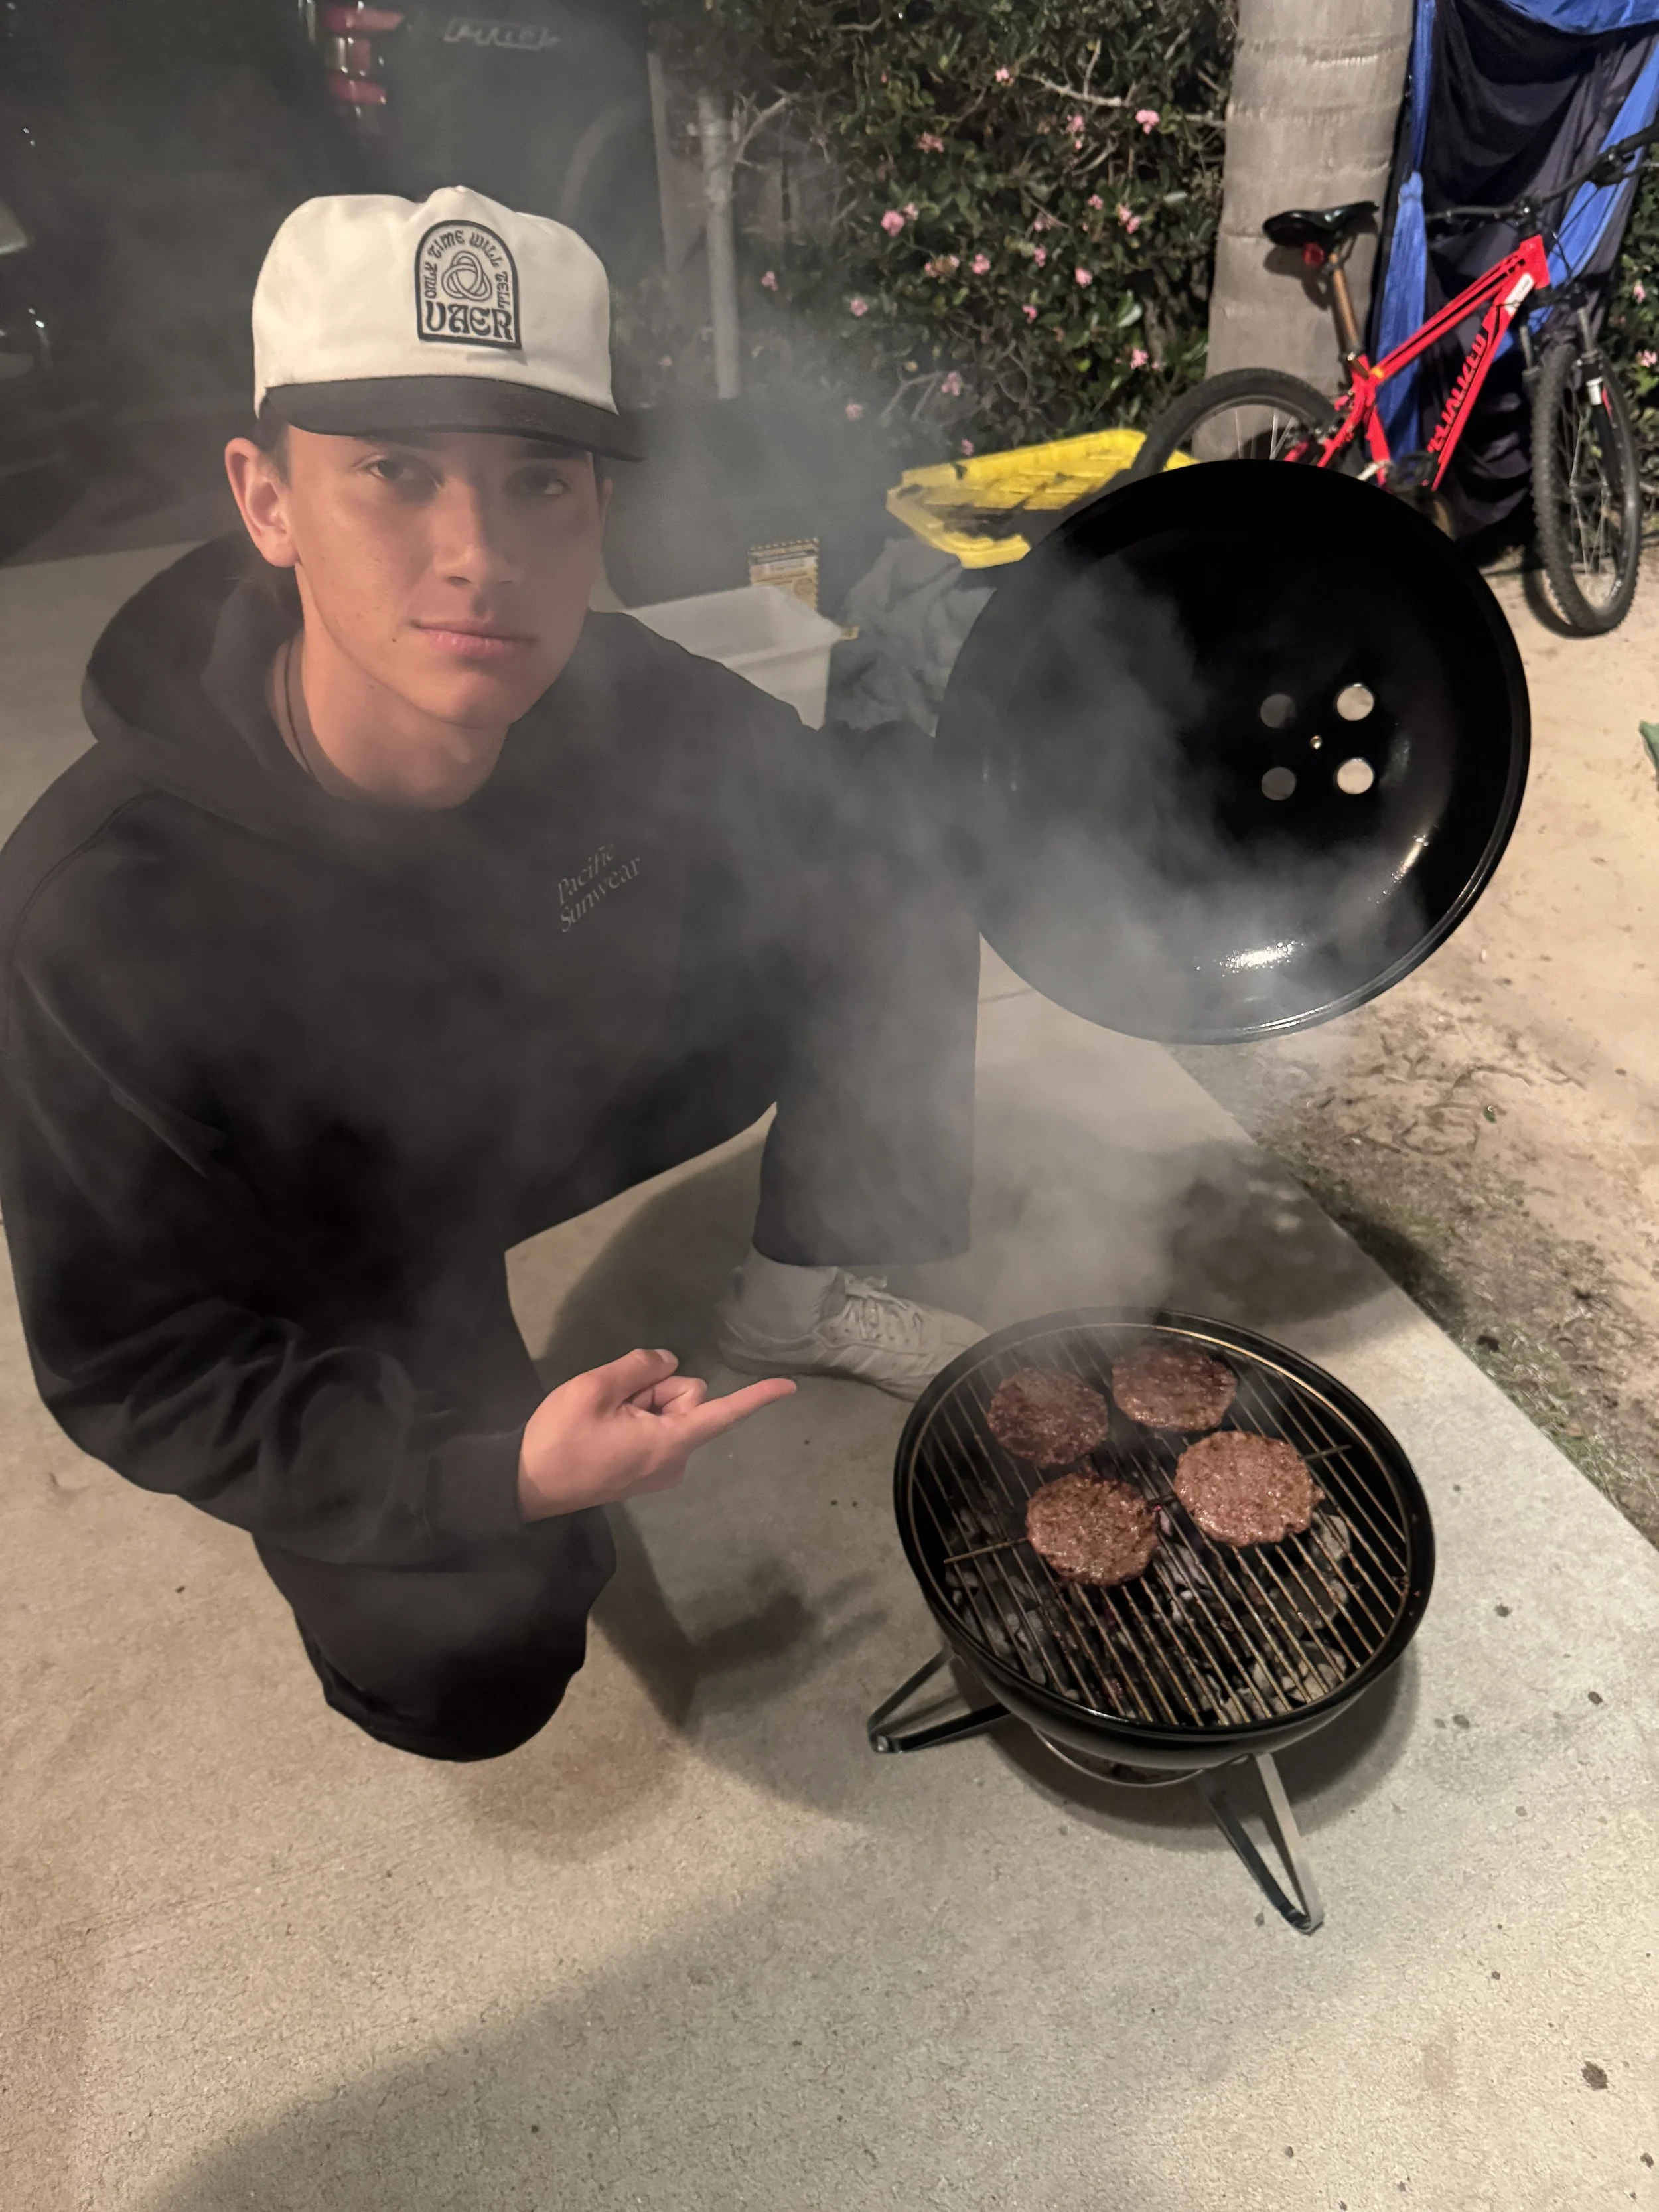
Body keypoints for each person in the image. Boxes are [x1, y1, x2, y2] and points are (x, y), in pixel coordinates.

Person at [0, 187, 983, 1762]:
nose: (477, 556)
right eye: (393, 471)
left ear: (596, 512)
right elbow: (135, 1360)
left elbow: (835, 808)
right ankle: (474, 1464)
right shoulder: (91, 912)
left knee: (900, 871)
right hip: (346, 1236)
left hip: (552, 1092)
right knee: (468, 1669)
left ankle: (793, 1297)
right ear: (264, 497)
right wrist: (495, 1471)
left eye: (539, 481)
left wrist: (1071, 779)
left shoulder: (618, 689)